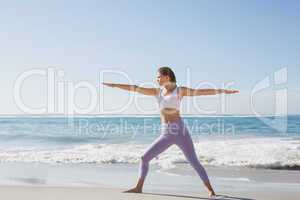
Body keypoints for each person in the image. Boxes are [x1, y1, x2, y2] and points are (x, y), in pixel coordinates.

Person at [102, 66, 239, 198]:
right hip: (166, 133)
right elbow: (136, 89)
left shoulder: (180, 91)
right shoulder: (157, 92)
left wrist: (223, 91)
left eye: (158, 77)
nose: (157, 79)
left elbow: (202, 92)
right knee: (144, 158)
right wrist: (115, 85)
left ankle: (211, 191)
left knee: (194, 162)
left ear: (166, 76)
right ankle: (139, 188)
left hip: (180, 131)